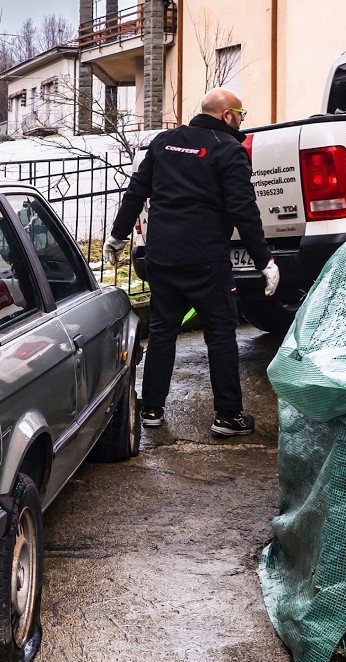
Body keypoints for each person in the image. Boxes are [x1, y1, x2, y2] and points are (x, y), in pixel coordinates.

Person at [106, 87, 280, 437]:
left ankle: (151, 409)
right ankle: (227, 416)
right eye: (240, 115)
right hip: (206, 261)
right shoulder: (229, 150)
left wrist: (118, 235)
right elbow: (243, 210)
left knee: (162, 332)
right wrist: (265, 260)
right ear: (228, 115)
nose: (241, 121)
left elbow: (137, 191)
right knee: (220, 334)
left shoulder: (164, 142)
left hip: (163, 258)